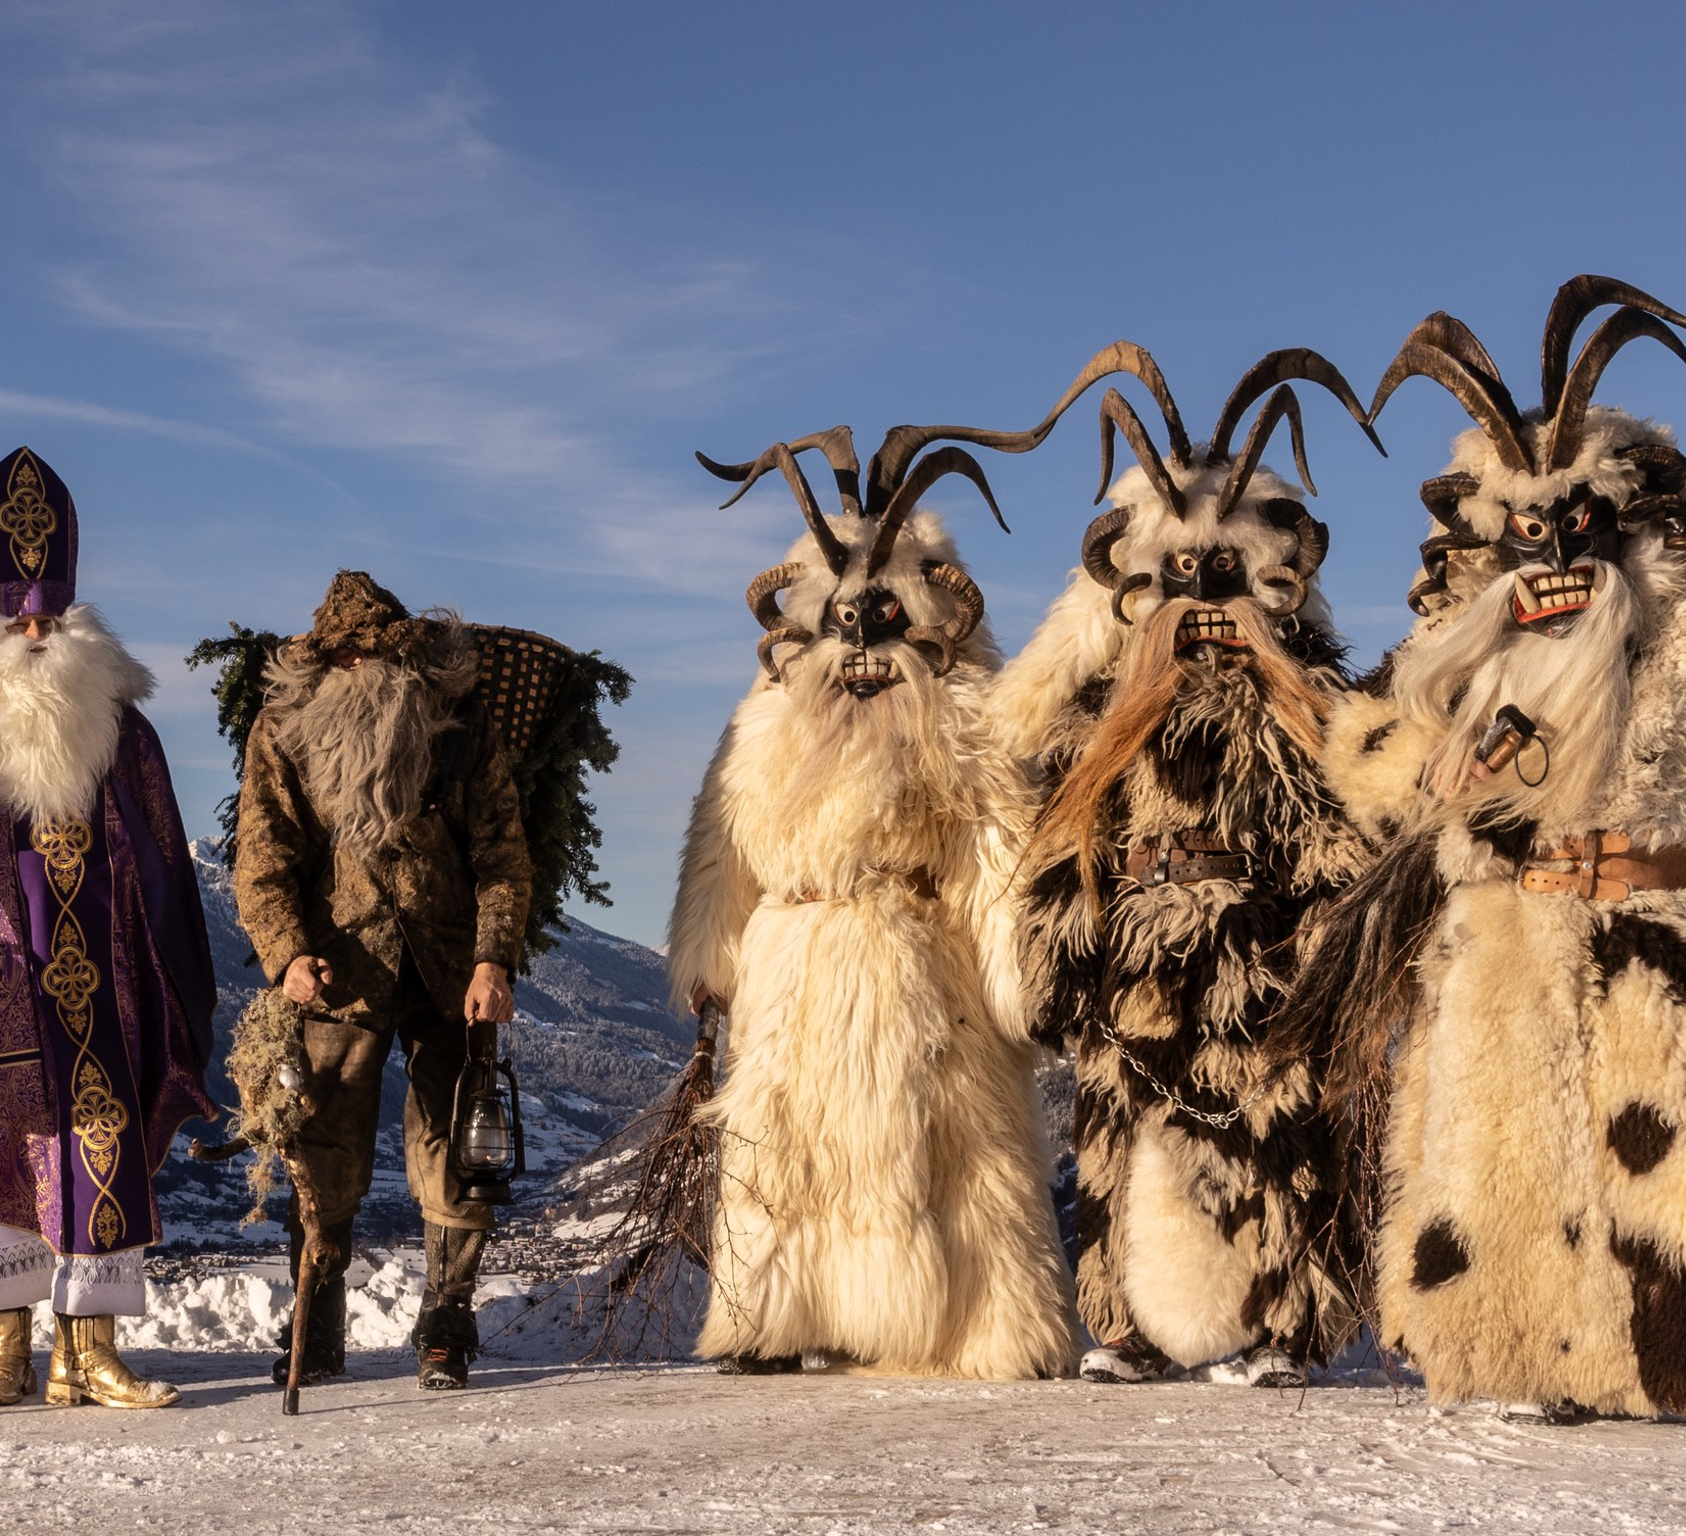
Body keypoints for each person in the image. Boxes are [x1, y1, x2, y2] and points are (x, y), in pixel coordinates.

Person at [1302, 277, 1686, 1423]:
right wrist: (1444, 766)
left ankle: (1645, 1365)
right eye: (1529, 533)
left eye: (1582, 526)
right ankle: (1519, 1354)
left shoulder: (1668, 643)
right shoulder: (1451, 657)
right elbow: (1369, 764)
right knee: (1504, 1162)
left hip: (1645, 943)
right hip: (1505, 942)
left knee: (1651, 1173)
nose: (1556, 556)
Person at [995, 345, 1378, 1388]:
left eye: (1224, 575)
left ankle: (1282, 1325)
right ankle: (1128, 1325)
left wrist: (1325, 948)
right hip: (1132, 951)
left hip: (1253, 948)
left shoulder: (1303, 703)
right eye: (1175, 578)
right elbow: (1060, 853)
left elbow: (1330, 836)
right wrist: (1054, 961)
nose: (1202, 600)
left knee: (1268, 1125)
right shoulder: (1100, 719)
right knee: (1121, 1122)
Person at [667, 427, 1075, 1379]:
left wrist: (1018, 967)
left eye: (882, 615)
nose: (861, 642)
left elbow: (1000, 839)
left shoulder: (965, 704)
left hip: (920, 960)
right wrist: (710, 951)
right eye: (843, 618)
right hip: (793, 956)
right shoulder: (765, 714)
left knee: (947, 1143)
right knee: (781, 1142)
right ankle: (775, 1314)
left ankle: (972, 1322)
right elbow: (719, 839)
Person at [0, 445, 217, 1409]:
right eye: (19, 614)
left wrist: (167, 978)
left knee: (94, 1138)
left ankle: (90, 1347)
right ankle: (5, 1342)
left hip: (97, 977)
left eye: (51, 614)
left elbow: (161, 854)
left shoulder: (120, 726)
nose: (36, 627)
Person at [230, 570, 529, 1391]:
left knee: (458, 1149)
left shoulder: (458, 723)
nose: (359, 668)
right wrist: (287, 952)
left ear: (402, 654)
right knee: (322, 1151)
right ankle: (317, 1321)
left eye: (372, 653)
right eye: (344, 655)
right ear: (321, 660)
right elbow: (262, 855)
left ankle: (445, 1322)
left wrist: (492, 959)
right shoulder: (285, 728)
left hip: (449, 969)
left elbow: (502, 852)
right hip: (337, 970)